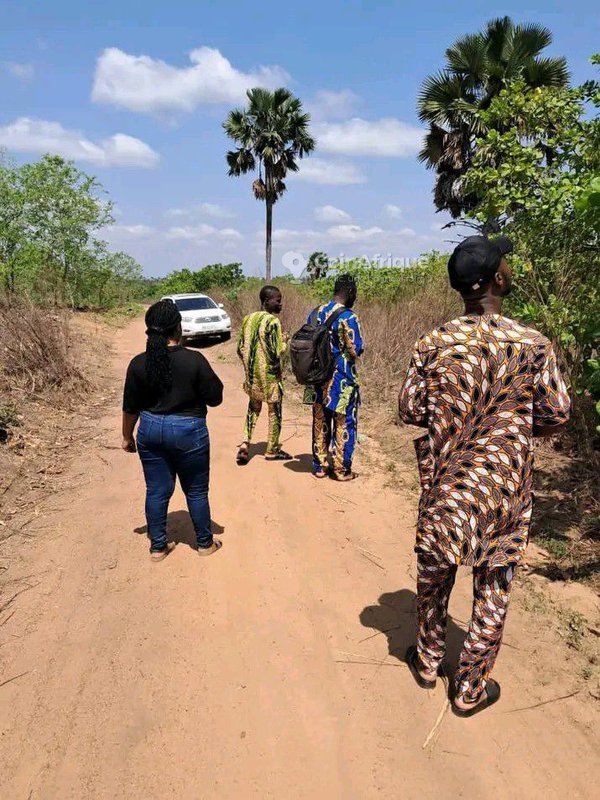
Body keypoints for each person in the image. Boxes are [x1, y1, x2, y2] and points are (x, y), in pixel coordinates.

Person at [398, 236, 570, 716]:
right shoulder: (531, 345)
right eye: (506, 263)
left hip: (446, 485)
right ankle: (470, 686)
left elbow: (411, 408)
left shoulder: (432, 344)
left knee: (434, 575)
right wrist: (510, 421)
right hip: (503, 489)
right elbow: (557, 414)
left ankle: (429, 661)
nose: (510, 268)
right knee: (493, 582)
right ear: (498, 278)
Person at [122, 299, 224, 562]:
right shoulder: (194, 360)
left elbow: (130, 408)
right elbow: (215, 397)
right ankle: (204, 543)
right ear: (177, 328)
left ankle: (158, 547)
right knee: (196, 491)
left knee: (156, 490)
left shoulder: (138, 363)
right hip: (189, 432)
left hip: (151, 430)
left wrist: (126, 437)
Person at [305, 273, 364, 481]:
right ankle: (341, 469)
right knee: (344, 422)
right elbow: (356, 349)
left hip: (315, 377)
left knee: (319, 420)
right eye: (354, 291)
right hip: (341, 379)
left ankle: (319, 467)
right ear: (349, 292)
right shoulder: (349, 317)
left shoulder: (314, 313)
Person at [236, 285, 290, 465]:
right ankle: (272, 450)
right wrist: (284, 341)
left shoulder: (248, 319)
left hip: (252, 377)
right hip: (270, 378)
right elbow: (276, 353)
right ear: (267, 301)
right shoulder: (273, 322)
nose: (281, 304)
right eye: (278, 300)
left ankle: (245, 442)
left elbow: (240, 348)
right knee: (275, 411)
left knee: (253, 408)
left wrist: (248, 366)